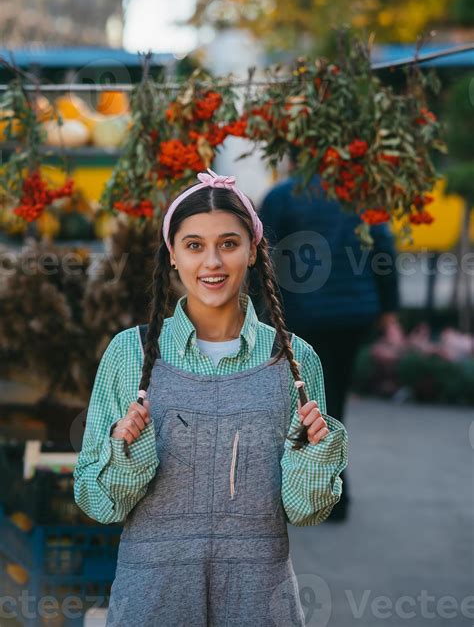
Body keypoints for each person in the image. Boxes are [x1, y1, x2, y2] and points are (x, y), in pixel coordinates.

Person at [74, 168, 348, 627]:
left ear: (254, 252)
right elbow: (97, 502)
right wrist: (123, 451)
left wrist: (316, 456)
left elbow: (304, 511)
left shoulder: (295, 362)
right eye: (194, 245)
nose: (212, 262)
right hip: (152, 597)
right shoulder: (129, 354)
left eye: (229, 243)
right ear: (174, 257)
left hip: (259, 598)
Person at [256, 154, 401, 521]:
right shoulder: (361, 195)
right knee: (332, 399)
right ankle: (329, 489)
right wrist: (389, 311)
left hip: (302, 316)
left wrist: (260, 314)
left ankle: (321, 490)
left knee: (305, 402)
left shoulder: (282, 196)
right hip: (353, 316)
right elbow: (384, 249)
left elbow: (262, 257)